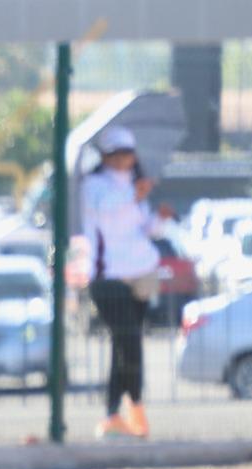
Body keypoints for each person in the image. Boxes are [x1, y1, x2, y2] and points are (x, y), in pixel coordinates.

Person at [82, 125, 165, 440]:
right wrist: (135, 194)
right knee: (128, 340)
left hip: (141, 270)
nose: (122, 159)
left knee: (126, 343)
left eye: (127, 153)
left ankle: (115, 414)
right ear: (104, 156)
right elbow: (104, 211)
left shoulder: (134, 186)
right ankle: (136, 408)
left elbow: (144, 227)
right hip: (108, 275)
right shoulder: (93, 185)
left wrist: (160, 218)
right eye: (115, 153)